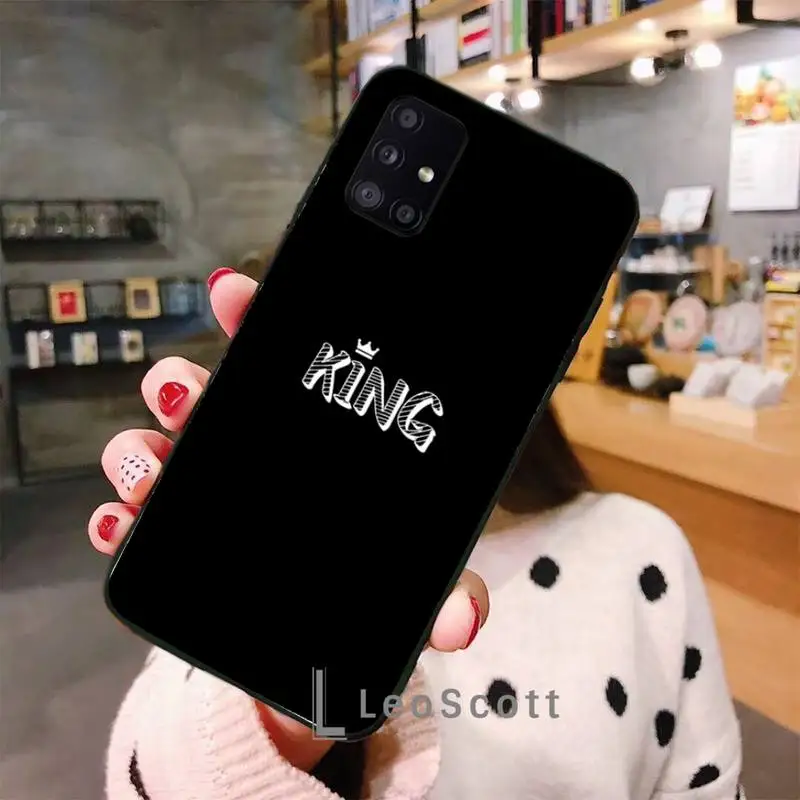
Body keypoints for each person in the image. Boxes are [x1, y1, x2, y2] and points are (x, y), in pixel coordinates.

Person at [88, 268, 744, 800]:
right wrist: (278, 720)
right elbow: (148, 775)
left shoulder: (639, 548)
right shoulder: (246, 552)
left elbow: (705, 784)